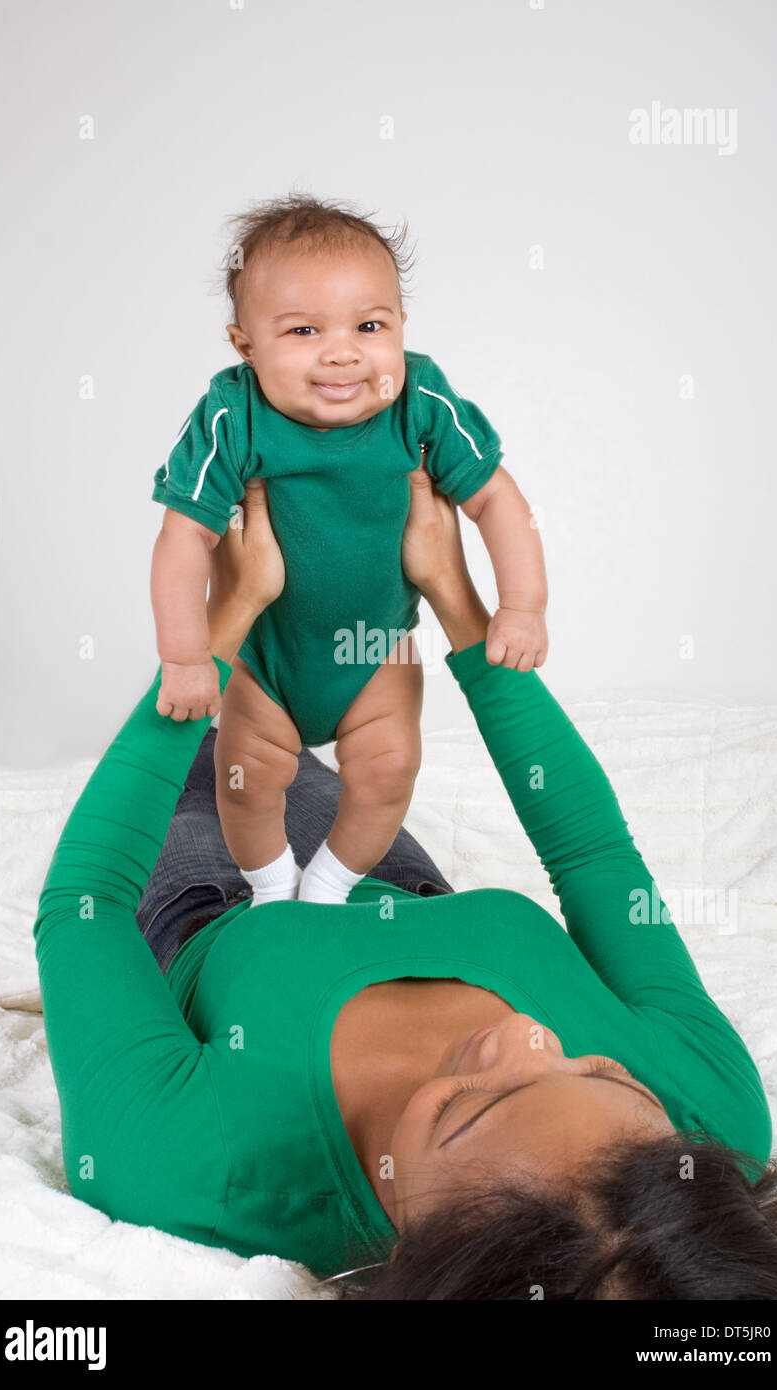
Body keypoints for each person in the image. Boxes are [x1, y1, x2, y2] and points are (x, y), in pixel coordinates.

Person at [33, 465, 777, 1298]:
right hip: (388, 878)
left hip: (212, 893)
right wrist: (456, 594)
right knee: (281, 734)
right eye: (603, 1071)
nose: (526, 1037)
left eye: (465, 1109)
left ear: (414, 1249)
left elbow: (86, 901)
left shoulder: (190, 1167)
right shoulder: (714, 1122)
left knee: (196, 738)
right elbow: (596, 859)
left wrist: (221, 626)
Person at [148, 192, 548, 906]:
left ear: (400, 327)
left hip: (378, 651)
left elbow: (496, 500)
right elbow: (185, 535)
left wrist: (521, 606)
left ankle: (328, 886)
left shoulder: (421, 400)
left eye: (369, 324)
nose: (342, 351)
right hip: (266, 660)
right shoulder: (230, 414)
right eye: (303, 330)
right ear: (246, 346)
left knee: (391, 770)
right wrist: (185, 657)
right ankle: (272, 889)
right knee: (245, 779)